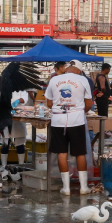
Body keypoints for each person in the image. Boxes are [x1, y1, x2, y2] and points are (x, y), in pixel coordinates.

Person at [44, 59, 93, 195]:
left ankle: (66, 188)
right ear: (78, 70)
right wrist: (78, 110)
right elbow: (89, 103)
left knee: (62, 153)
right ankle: (83, 187)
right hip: (76, 120)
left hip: (58, 120)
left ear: (67, 68)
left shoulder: (54, 79)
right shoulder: (83, 80)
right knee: (80, 153)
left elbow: (49, 103)